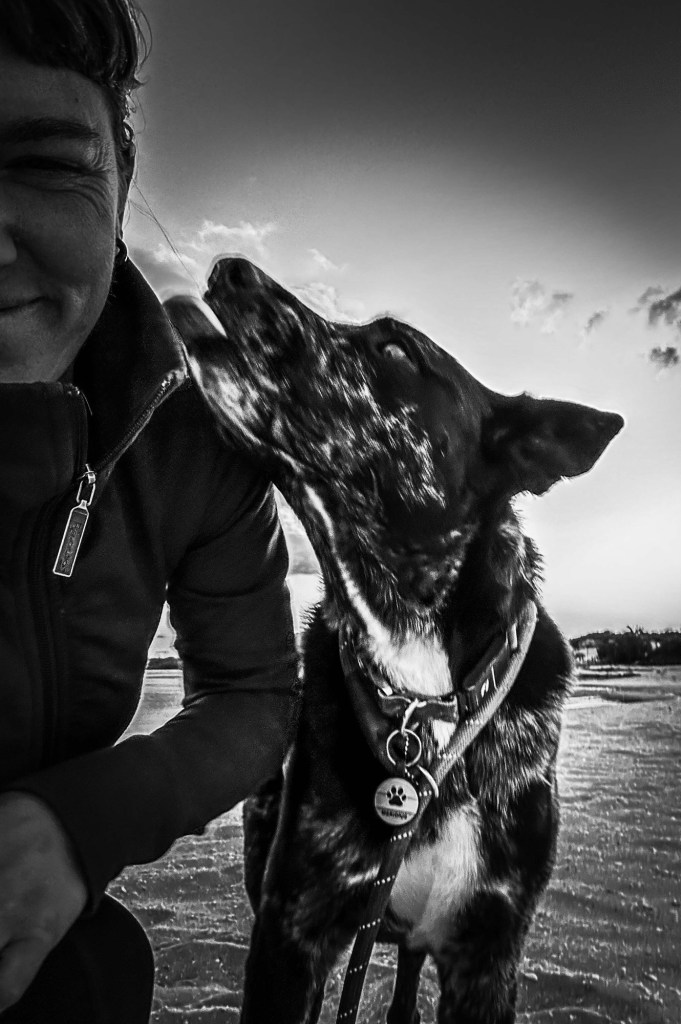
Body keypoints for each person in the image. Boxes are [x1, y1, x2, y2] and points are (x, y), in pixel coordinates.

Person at [0, 2, 297, 1021]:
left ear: (122, 178)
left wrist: (79, 824)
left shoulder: (191, 433)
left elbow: (254, 691)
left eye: (46, 163)